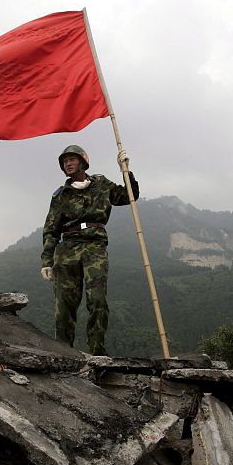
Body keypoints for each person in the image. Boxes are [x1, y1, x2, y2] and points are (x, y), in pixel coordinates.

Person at [40, 144, 139, 355]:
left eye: (72, 159)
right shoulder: (61, 195)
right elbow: (51, 230)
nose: (68, 163)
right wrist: (46, 261)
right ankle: (64, 354)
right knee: (64, 306)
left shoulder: (101, 184)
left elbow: (129, 196)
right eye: (64, 161)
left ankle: (97, 352)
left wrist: (126, 171)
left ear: (83, 161)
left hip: (95, 246)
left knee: (97, 300)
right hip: (68, 248)